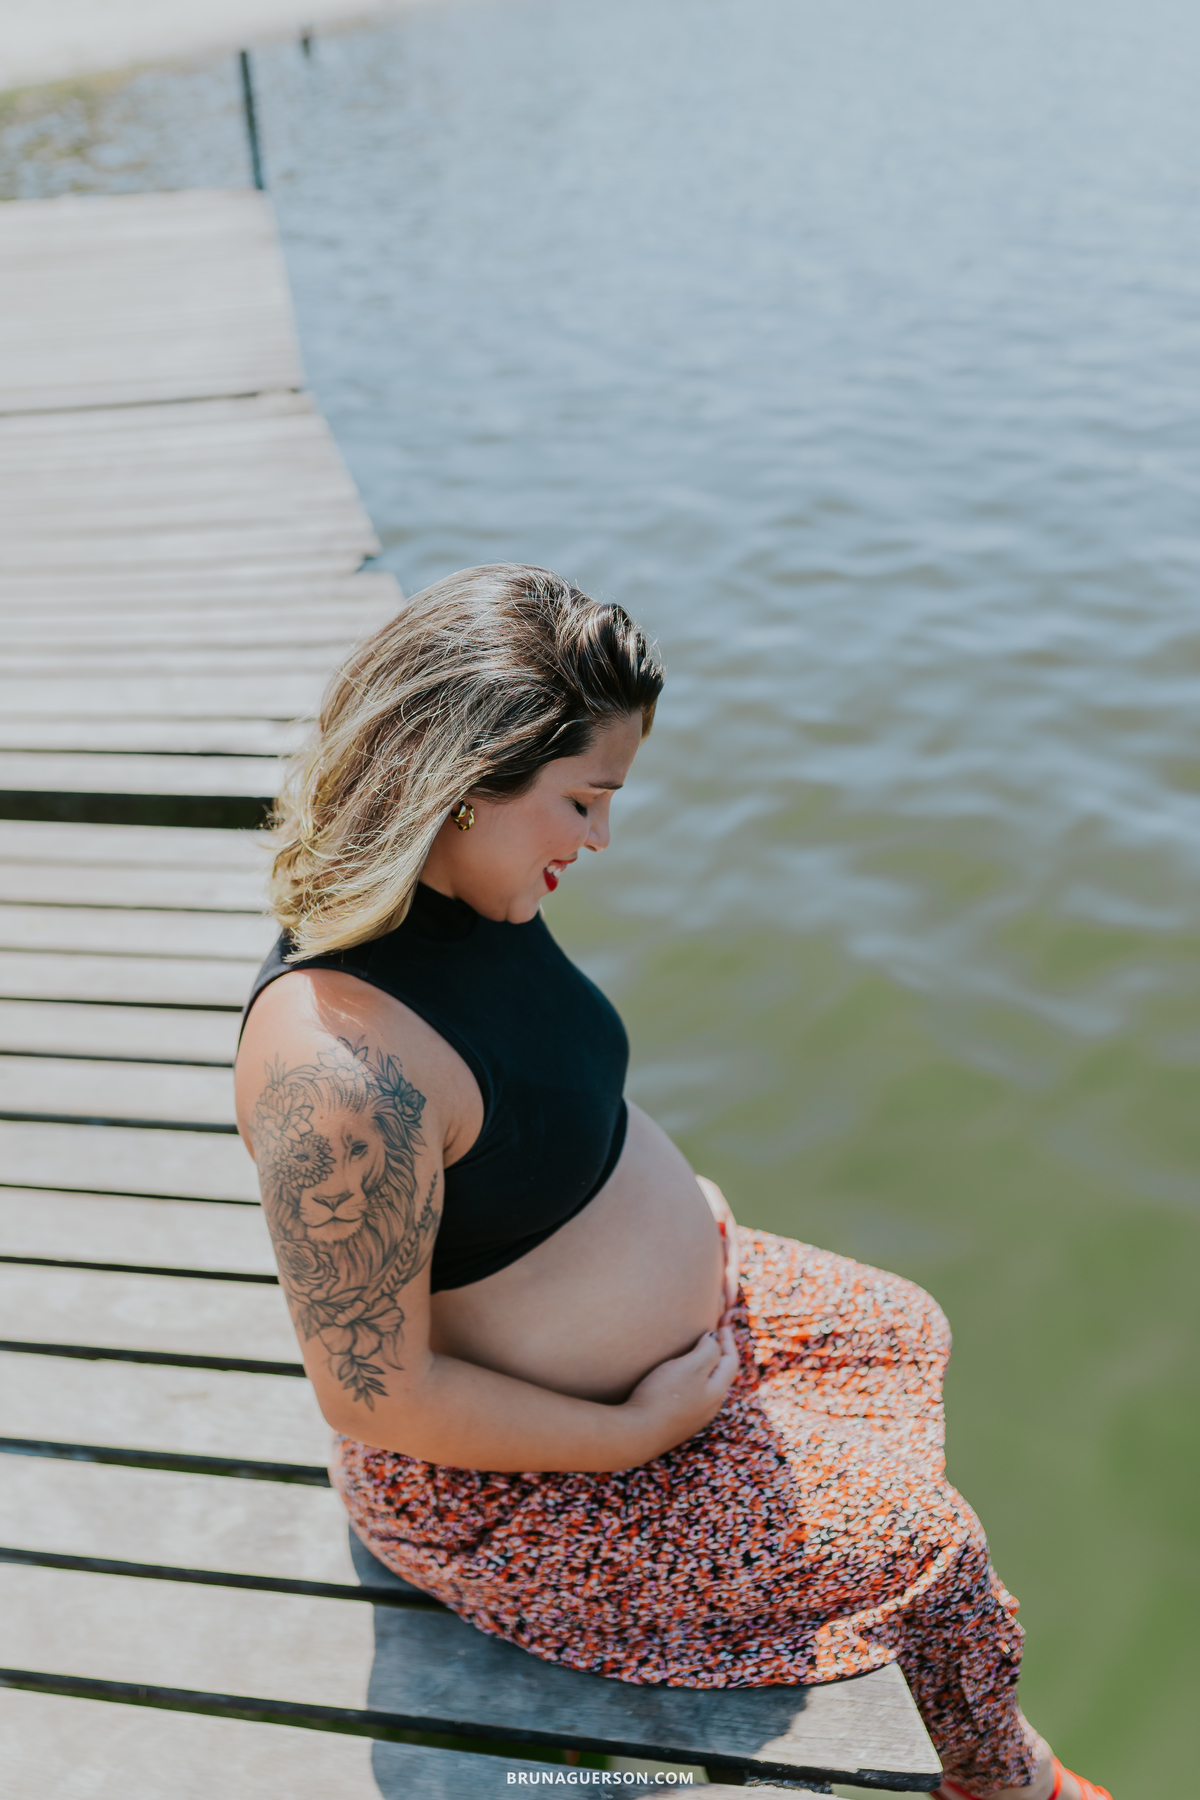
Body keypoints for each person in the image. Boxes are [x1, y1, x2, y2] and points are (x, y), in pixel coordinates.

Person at [235, 564, 1110, 1800]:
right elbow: (376, 1396)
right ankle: (1000, 1777)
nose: (600, 840)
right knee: (932, 1543)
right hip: (506, 1486)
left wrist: (657, 1221)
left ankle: (796, 1603)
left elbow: (539, 1092)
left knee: (899, 1324)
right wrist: (628, 1432)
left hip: (632, 1380)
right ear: (462, 784)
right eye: (583, 801)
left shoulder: (468, 884)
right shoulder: (336, 1073)